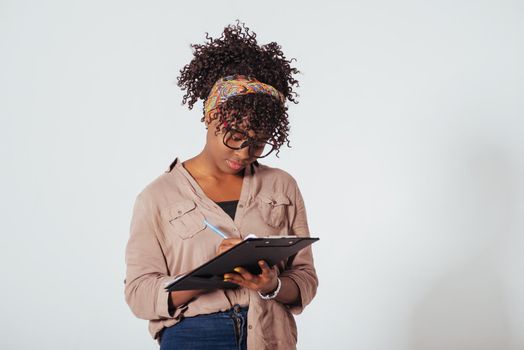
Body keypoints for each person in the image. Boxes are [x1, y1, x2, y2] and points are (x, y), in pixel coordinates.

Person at [124, 20, 318, 350]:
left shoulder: (282, 187)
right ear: (210, 116)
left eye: (258, 143)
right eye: (236, 137)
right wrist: (213, 272)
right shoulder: (157, 197)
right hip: (195, 336)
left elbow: (305, 279)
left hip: (270, 334)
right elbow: (139, 294)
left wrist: (271, 284)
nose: (244, 153)